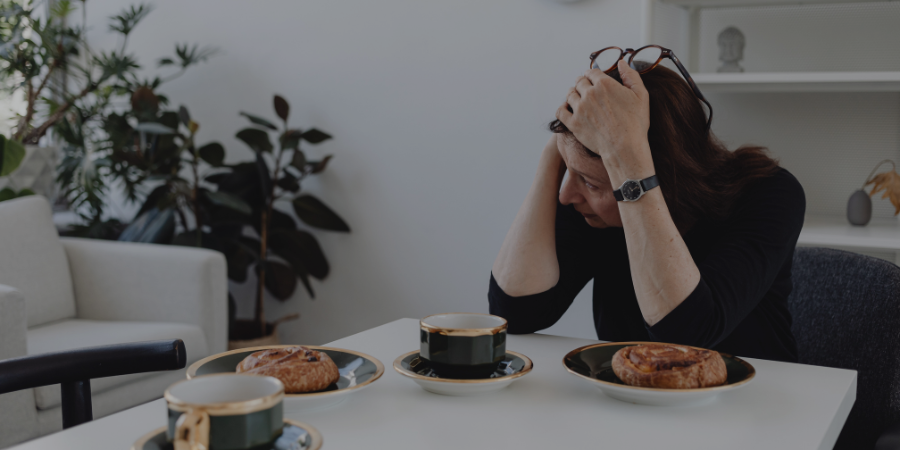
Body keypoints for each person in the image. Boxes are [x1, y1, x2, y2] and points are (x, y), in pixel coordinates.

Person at [488, 48, 805, 362]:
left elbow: (685, 337)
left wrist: (627, 156)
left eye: (591, 182)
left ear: (661, 174)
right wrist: (556, 149)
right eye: (570, 172)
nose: (566, 196)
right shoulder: (593, 210)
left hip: (757, 400)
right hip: (634, 402)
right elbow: (515, 313)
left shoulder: (769, 193)